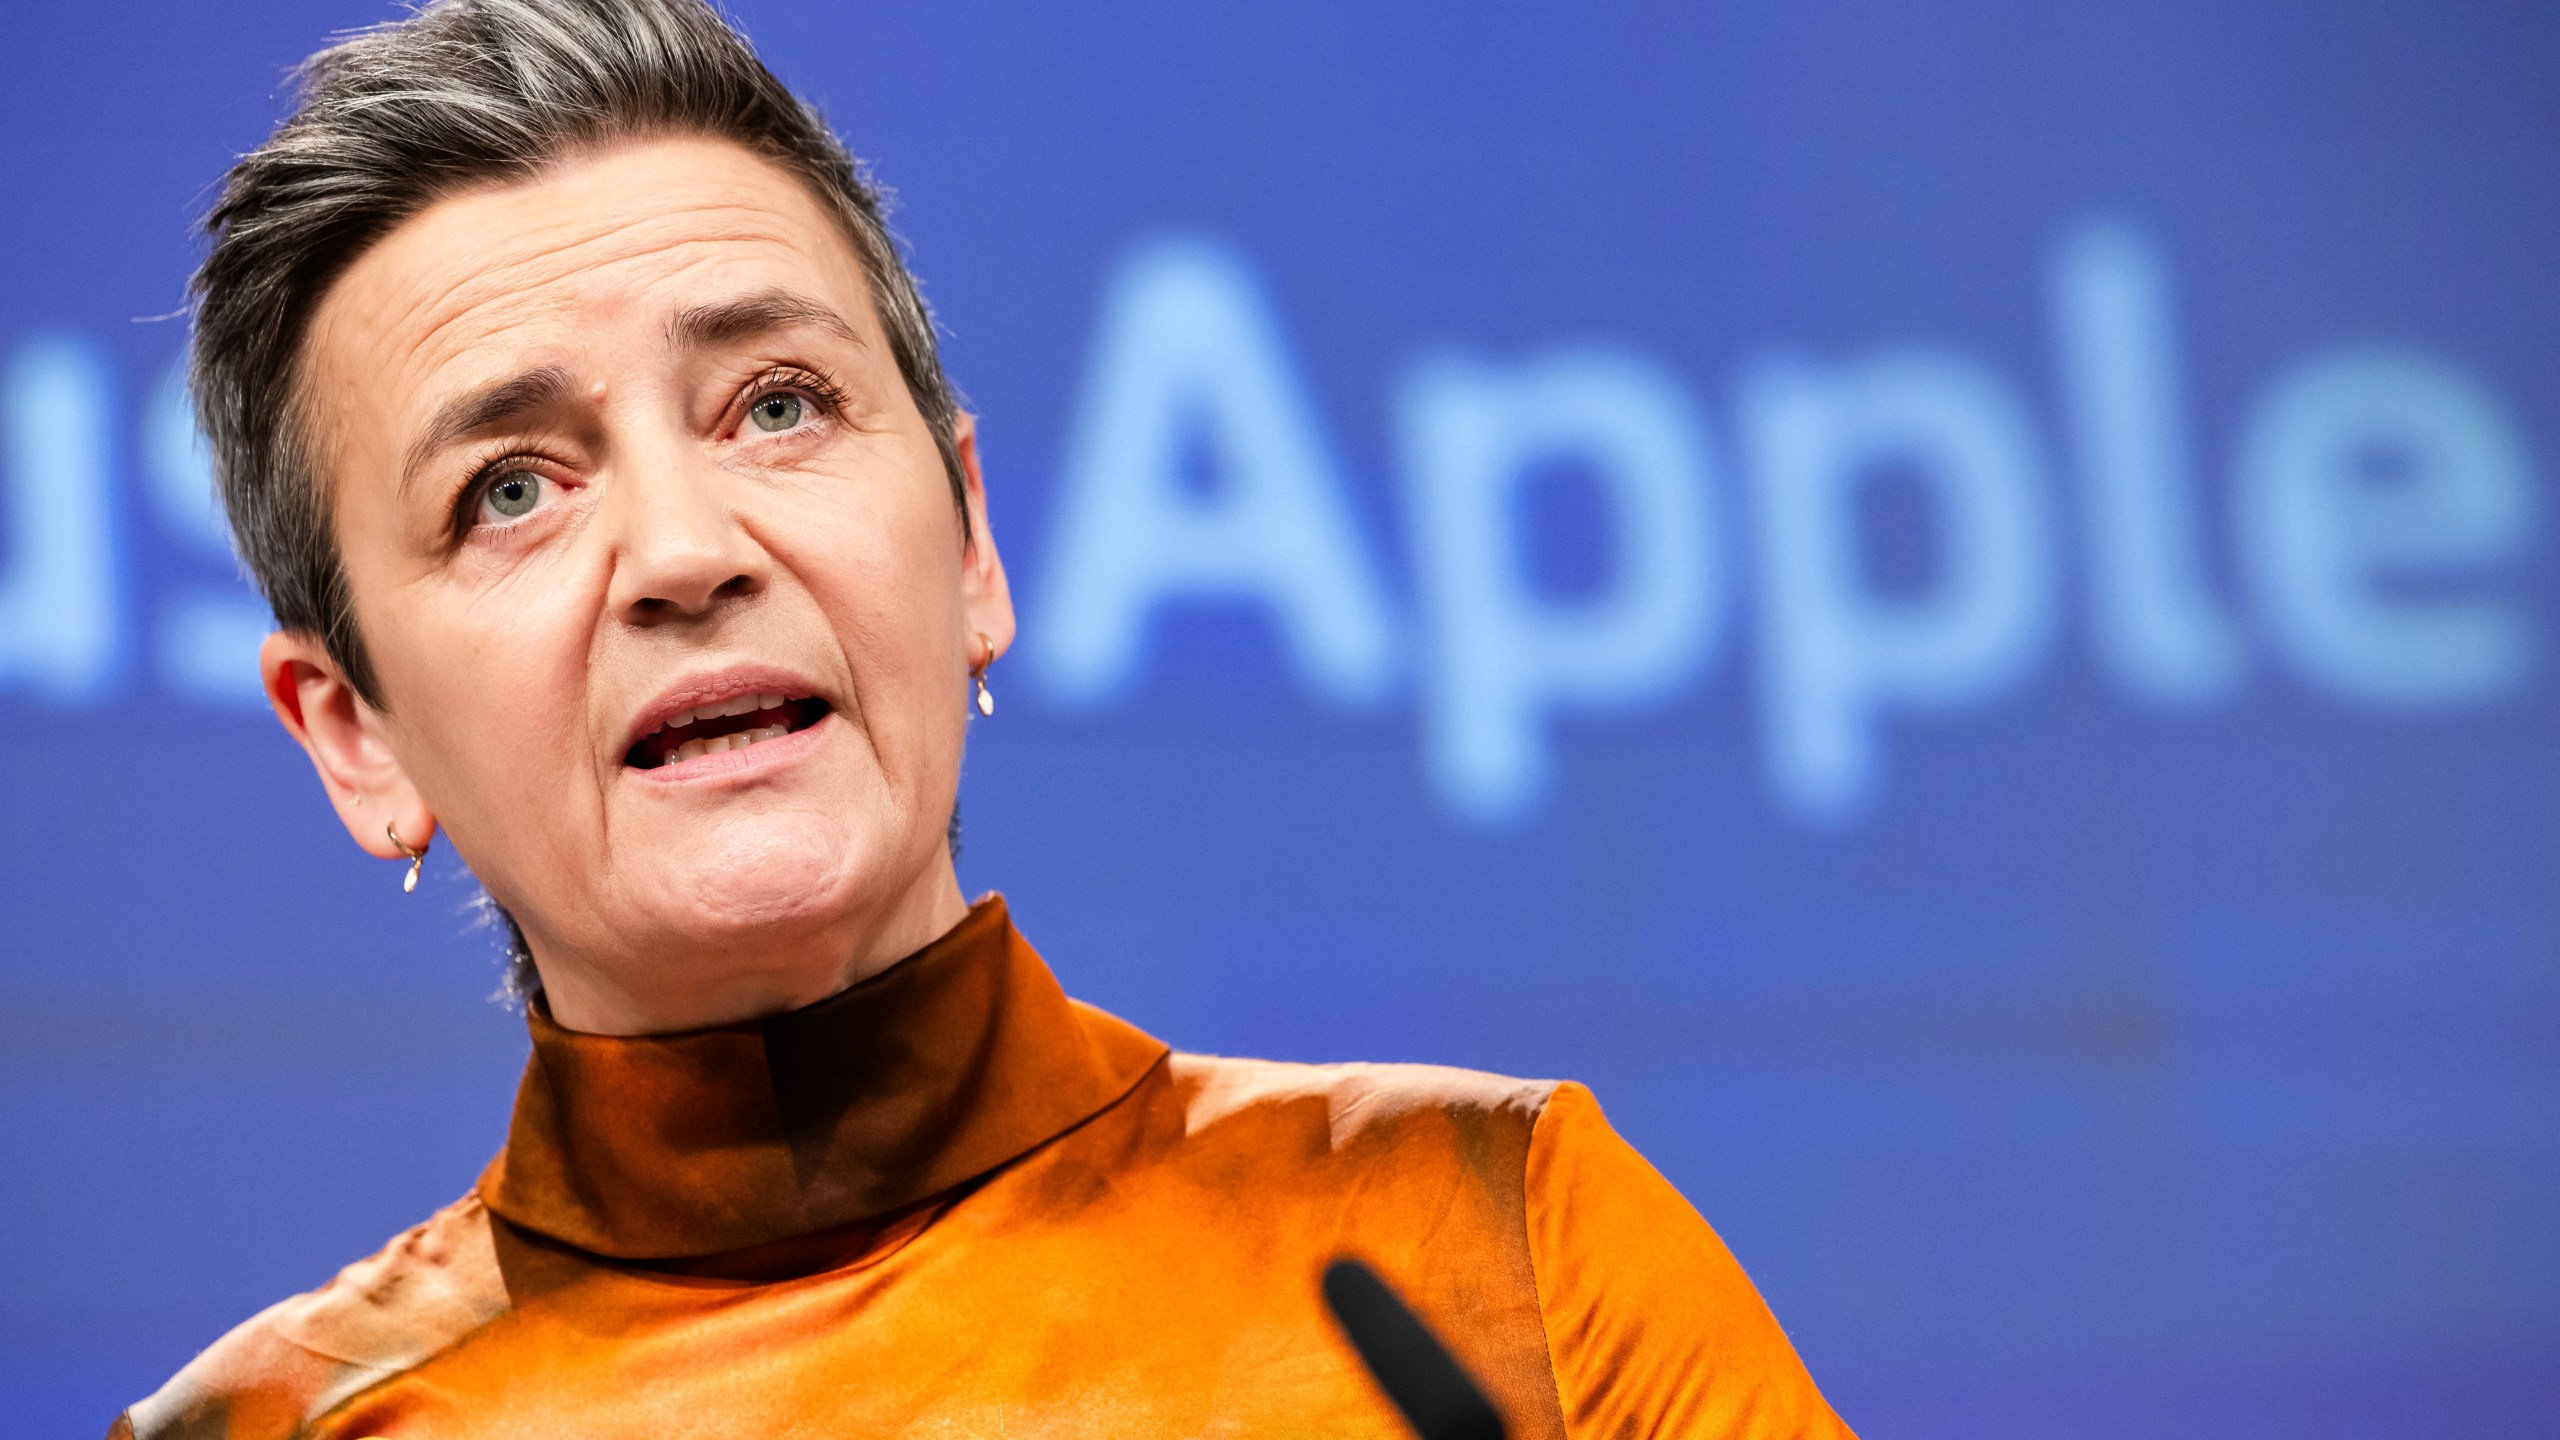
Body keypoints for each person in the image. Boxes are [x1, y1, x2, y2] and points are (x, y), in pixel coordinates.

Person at [114, 1, 1856, 1436]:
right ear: (357, 736)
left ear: (972, 553)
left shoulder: (1493, 1254)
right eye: (510, 490)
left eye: (777, 403)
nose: (688, 550)